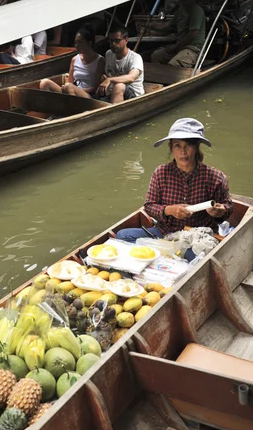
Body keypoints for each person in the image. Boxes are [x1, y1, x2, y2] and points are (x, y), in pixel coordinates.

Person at [116, 118, 233, 259]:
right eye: (177, 145)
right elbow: (149, 206)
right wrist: (169, 210)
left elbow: (228, 207)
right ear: (171, 148)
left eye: (188, 145)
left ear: (196, 148)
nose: (183, 151)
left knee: (194, 256)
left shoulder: (215, 177)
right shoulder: (161, 173)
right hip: (165, 232)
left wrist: (219, 211)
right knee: (123, 236)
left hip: (196, 237)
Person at [40, 25, 105, 99]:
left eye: (80, 42)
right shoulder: (74, 59)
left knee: (69, 87)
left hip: (88, 96)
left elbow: (96, 87)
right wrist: (67, 87)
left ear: (89, 43)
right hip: (71, 90)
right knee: (44, 83)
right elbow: (69, 81)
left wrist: (76, 90)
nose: (76, 46)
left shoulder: (99, 60)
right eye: (75, 42)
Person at [151, 0, 206, 68]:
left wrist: (175, 47)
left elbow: (192, 35)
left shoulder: (196, 10)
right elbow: (171, 28)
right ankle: (159, 77)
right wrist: (153, 28)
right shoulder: (180, 11)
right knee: (156, 55)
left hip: (192, 49)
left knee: (174, 64)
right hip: (179, 47)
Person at [98, 22, 144, 103]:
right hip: (113, 93)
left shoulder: (135, 58)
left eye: (117, 40)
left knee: (119, 86)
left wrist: (110, 80)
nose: (113, 44)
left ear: (126, 40)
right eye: (111, 41)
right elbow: (107, 74)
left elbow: (131, 78)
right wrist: (104, 78)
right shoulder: (109, 54)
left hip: (133, 95)